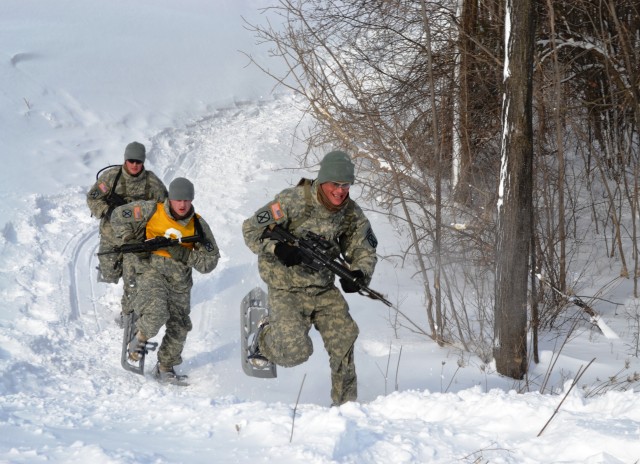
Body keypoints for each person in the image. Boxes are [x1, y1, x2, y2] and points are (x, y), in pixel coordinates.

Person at [242, 150, 379, 406]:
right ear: (322, 181)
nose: (340, 191)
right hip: (286, 289)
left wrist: (359, 273)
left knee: (345, 339)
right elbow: (251, 229)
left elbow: (364, 248)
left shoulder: (350, 213)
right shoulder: (292, 201)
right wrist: (278, 249)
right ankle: (263, 338)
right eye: (335, 185)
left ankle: (345, 409)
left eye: (346, 185)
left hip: (323, 289)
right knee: (295, 352)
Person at [110, 177, 220, 384]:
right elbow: (118, 216)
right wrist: (128, 238)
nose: (182, 205)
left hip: (180, 281)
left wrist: (183, 254)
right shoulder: (151, 210)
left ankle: (165, 367)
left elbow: (210, 262)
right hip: (151, 271)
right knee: (157, 311)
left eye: (186, 200)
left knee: (180, 326)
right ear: (170, 198)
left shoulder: (198, 225)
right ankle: (140, 338)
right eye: (178, 200)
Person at [86, 142, 168, 322]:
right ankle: (115, 269)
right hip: (111, 235)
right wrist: (107, 211)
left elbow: (165, 209)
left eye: (138, 161)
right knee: (110, 273)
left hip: (136, 240)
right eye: (131, 160)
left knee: (132, 278)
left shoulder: (152, 183)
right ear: (125, 160)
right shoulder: (110, 178)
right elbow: (93, 198)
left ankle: (129, 314)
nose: (134, 165)